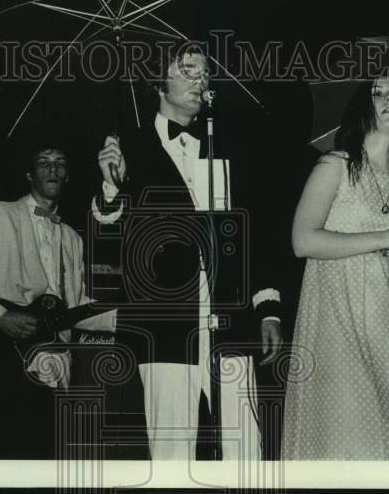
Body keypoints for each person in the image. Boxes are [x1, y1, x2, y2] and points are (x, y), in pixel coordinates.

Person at [91, 45, 284, 461]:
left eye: (206, 73)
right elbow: (109, 241)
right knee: (171, 452)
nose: (201, 80)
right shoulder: (130, 148)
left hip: (229, 317)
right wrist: (111, 189)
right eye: (187, 70)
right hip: (164, 324)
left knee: (246, 448)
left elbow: (256, 231)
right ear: (159, 83)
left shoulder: (227, 145)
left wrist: (267, 306)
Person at [282, 75, 389, 460]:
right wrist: (382, 237)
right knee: (347, 433)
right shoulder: (335, 165)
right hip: (336, 311)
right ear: (361, 106)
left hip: (388, 318)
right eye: (379, 93)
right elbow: (302, 241)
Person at [0, 142, 116, 458]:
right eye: (43, 162)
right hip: (2, 362)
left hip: (54, 368)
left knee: (44, 459)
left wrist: (122, 318)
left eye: (60, 163)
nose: (52, 169)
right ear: (29, 174)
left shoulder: (73, 238)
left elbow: (73, 304)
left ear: (67, 176)